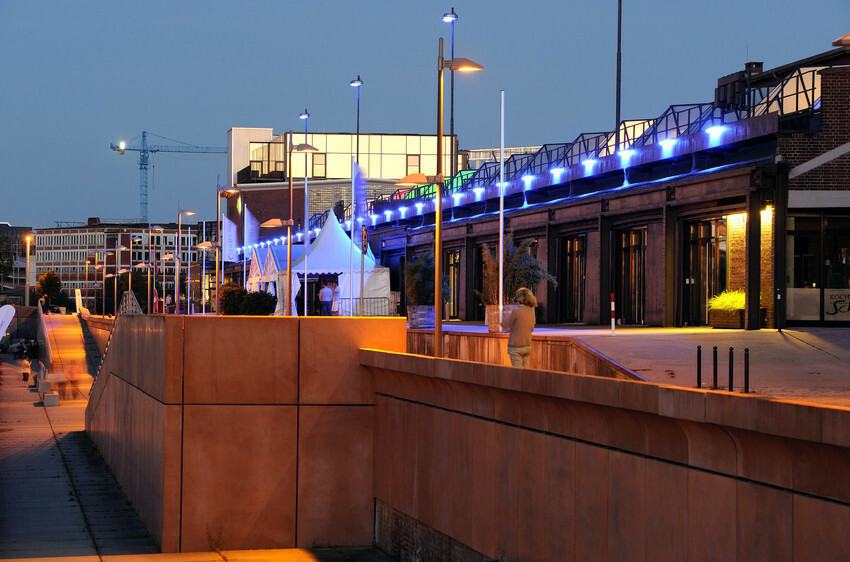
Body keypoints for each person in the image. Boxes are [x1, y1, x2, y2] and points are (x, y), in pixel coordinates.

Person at [501, 287, 537, 368]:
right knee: (525, 371)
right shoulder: (531, 311)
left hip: (515, 346)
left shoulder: (516, 311)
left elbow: (507, 326)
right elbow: (531, 327)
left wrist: (501, 319)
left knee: (518, 372)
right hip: (527, 345)